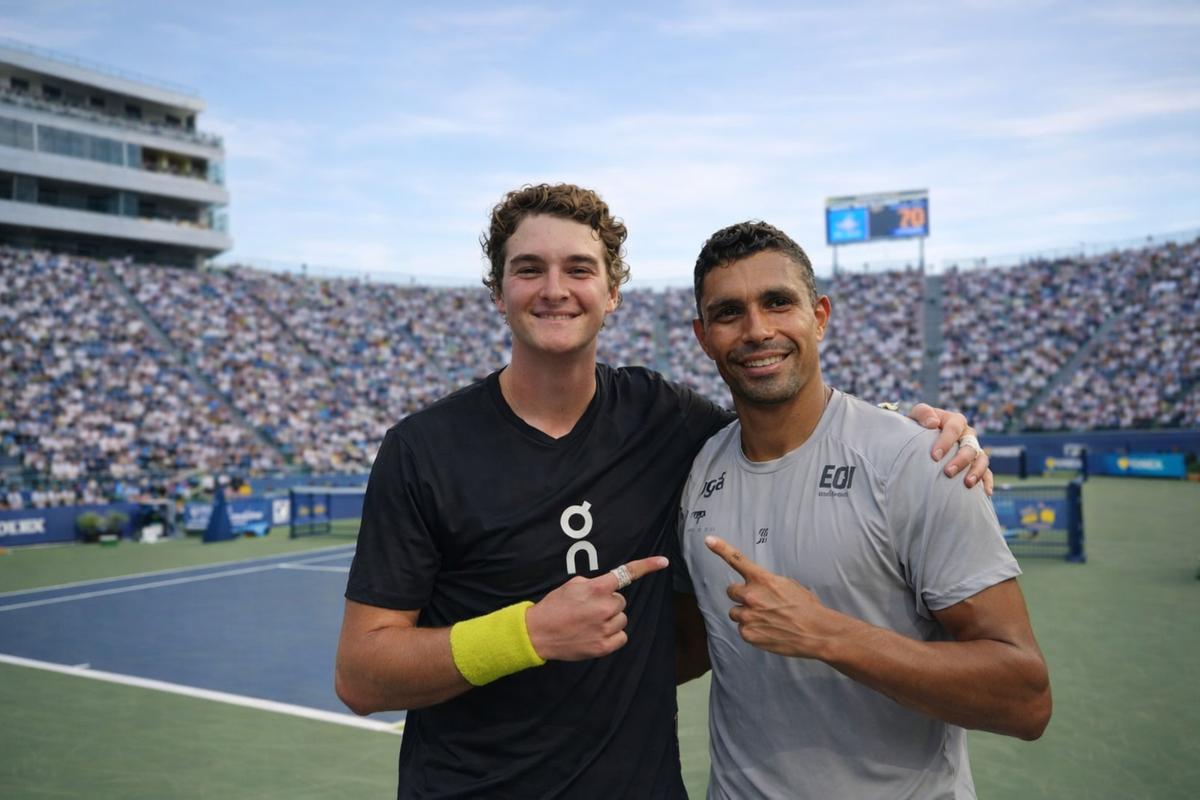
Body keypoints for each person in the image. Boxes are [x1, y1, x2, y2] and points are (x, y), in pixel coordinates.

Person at [334, 184, 990, 799]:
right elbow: (362, 674)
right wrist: (529, 633)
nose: (555, 289)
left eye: (580, 269)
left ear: (613, 292)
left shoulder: (664, 419)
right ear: (498, 291)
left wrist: (906, 420)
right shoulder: (423, 447)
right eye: (529, 269)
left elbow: (784, 413)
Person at [677, 221, 1051, 799]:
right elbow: (694, 645)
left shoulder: (922, 458)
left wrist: (828, 633)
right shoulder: (696, 469)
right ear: (704, 336)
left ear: (820, 316)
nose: (757, 329)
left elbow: (1026, 700)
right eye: (729, 313)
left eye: (778, 302)